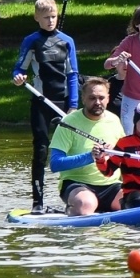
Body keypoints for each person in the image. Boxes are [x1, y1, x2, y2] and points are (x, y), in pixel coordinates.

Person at [11, 0, 80, 211]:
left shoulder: (67, 41)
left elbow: (73, 74)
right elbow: (18, 69)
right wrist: (18, 78)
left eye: (53, 16)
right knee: (41, 150)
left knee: (70, 151)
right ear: (36, 18)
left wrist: (74, 106)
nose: (51, 21)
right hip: (41, 102)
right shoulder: (31, 41)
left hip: (65, 103)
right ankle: (38, 202)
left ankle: (74, 198)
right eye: (46, 17)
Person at [47, 76, 127, 216]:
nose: (97, 102)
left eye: (101, 98)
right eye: (92, 98)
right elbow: (55, 164)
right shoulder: (68, 123)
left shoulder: (114, 120)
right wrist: (90, 156)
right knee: (86, 204)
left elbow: (124, 158)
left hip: (111, 185)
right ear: (83, 99)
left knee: (133, 201)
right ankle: (73, 209)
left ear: (108, 98)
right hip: (77, 184)